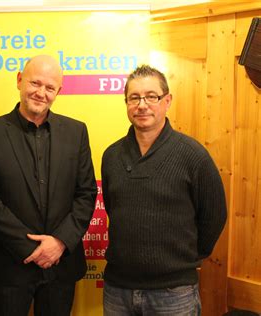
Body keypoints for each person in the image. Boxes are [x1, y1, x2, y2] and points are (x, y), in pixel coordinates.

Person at [0, 55, 97, 316]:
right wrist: (34, 249)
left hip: (61, 265)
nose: (41, 93)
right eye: (35, 83)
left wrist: (60, 242)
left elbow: (86, 193)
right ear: (19, 80)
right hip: (10, 265)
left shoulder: (77, 132)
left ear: (58, 91)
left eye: (50, 87)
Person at [101, 64, 227, 315]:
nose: (142, 104)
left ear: (167, 101)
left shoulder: (193, 155)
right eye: (134, 97)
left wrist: (185, 258)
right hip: (118, 290)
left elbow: (214, 215)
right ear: (126, 103)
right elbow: (113, 207)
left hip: (173, 293)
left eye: (151, 96)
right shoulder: (111, 156)